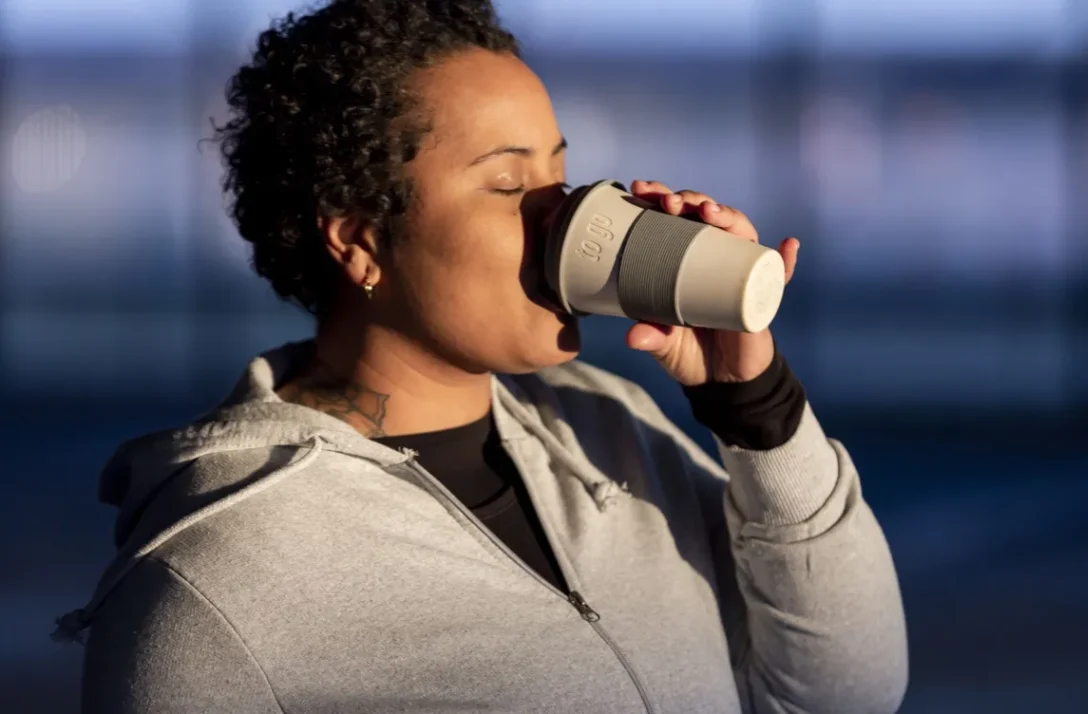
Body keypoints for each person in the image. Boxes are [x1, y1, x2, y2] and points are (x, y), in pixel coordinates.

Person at [58, 1, 908, 712]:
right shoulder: (214, 584)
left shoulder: (605, 424)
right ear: (359, 241)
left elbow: (845, 691)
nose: (567, 217)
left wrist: (753, 404)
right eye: (508, 186)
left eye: (563, 175)